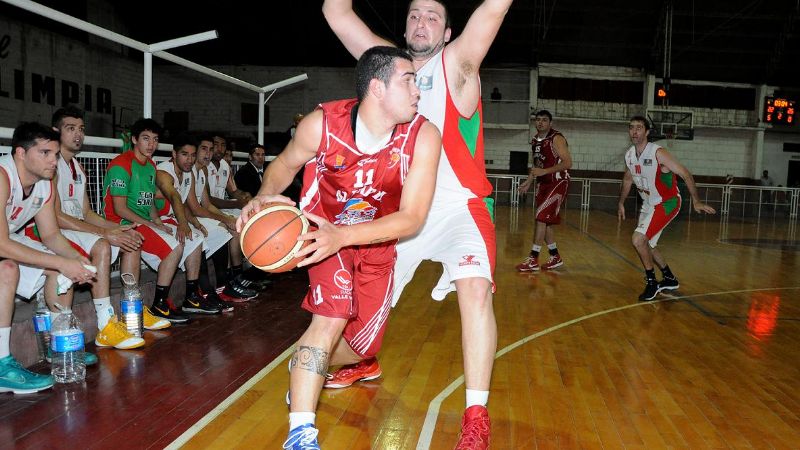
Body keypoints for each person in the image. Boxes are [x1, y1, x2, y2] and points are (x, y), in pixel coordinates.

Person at [323, 0, 512, 446]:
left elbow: (495, 9)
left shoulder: (458, 62)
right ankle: (363, 359)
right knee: (358, 329)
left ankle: (476, 414)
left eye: (432, 17)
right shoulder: (388, 65)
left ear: (447, 33)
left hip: (459, 206)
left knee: (475, 288)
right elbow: (336, 13)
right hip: (402, 212)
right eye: (413, 15)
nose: (421, 22)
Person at [236, 46, 441, 450]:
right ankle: (301, 432)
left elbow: (412, 218)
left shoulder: (423, 136)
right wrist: (262, 197)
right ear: (377, 88)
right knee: (328, 321)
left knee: (364, 347)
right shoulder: (322, 125)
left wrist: (345, 236)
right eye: (409, 81)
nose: (418, 91)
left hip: (375, 241)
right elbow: (285, 165)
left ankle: (306, 367)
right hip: (321, 236)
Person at [0, 123, 100, 394]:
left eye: (55, 154)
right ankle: (1, 365)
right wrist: (60, 261)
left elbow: (51, 235)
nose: (53, 161)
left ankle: (59, 345)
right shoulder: (2, 176)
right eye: (44, 153)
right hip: (2, 241)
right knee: (8, 269)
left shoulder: (44, 184)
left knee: (61, 269)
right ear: (21, 153)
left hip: (7, 238)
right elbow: (1, 243)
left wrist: (77, 260)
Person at [47, 107, 156, 349]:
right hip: (59, 230)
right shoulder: (51, 166)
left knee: (130, 239)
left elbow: (86, 213)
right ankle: (105, 324)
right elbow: (55, 216)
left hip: (77, 228)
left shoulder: (77, 167)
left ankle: (132, 311)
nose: (78, 134)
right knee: (103, 245)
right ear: (56, 131)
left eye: (81, 129)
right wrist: (105, 233)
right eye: (70, 128)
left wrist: (117, 228)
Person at [101, 119, 203, 324]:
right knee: (174, 248)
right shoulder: (121, 164)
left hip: (142, 221)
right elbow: (119, 209)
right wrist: (150, 224)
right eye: (146, 139)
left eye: (155, 140)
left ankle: (168, 302)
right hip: (121, 223)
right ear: (134, 139)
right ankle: (158, 305)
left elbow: (148, 201)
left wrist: (157, 221)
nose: (151, 145)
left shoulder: (150, 165)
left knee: (186, 239)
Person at [617, 116, 716, 301]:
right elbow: (628, 179)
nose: (634, 131)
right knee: (647, 244)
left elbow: (685, 174)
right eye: (631, 127)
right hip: (649, 204)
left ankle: (652, 283)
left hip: (667, 203)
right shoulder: (630, 155)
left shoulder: (658, 153)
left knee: (638, 240)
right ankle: (669, 278)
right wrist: (621, 202)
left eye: (639, 128)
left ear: (647, 132)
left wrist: (696, 201)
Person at [154, 134, 227, 315]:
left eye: (192, 155)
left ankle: (193, 296)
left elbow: (185, 203)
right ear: (174, 154)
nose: (190, 159)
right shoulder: (163, 172)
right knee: (192, 237)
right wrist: (184, 224)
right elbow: (175, 197)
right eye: (184, 154)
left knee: (201, 236)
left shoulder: (188, 173)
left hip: (173, 219)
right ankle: (162, 302)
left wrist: (193, 222)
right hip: (157, 221)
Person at [194, 136, 262, 301]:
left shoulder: (223, 165)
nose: (217, 149)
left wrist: (244, 196)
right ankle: (232, 278)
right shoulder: (201, 168)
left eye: (221, 145)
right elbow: (206, 202)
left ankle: (240, 275)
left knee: (247, 217)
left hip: (214, 210)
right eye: (212, 146)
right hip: (205, 212)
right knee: (231, 227)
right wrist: (233, 207)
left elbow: (233, 191)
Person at [516, 110, 572, 271]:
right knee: (545, 221)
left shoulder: (556, 138)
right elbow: (537, 166)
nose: (540, 122)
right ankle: (555, 257)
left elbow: (568, 163)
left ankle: (533, 259)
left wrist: (545, 172)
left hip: (558, 181)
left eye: (544, 120)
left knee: (541, 218)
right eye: (538, 119)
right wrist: (528, 181)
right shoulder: (535, 140)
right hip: (543, 183)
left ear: (550, 123)